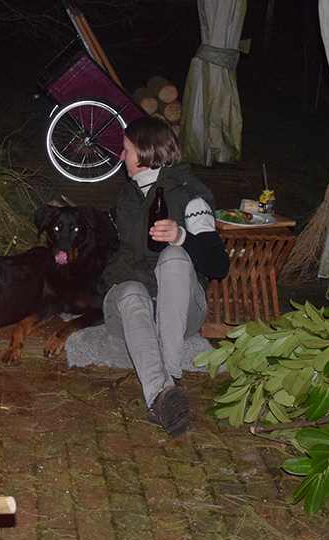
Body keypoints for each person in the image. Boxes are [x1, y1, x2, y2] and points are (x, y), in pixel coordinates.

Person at [102, 116, 229, 438]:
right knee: (129, 288)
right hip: (134, 311)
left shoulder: (192, 195)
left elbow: (218, 266)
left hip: (182, 312)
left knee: (174, 255)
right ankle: (165, 390)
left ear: (145, 153)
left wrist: (182, 236)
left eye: (126, 149)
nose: (121, 156)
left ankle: (168, 373)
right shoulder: (128, 196)